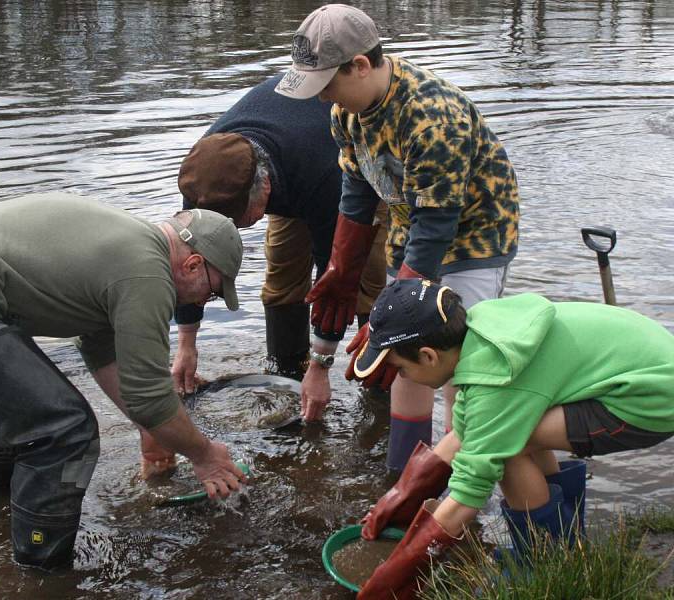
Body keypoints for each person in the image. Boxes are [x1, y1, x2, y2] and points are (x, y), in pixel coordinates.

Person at [0, 193, 247, 570]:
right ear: (193, 264)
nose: (203, 303)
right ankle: (42, 572)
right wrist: (204, 455)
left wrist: (150, 430)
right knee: (65, 430)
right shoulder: (147, 273)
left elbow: (104, 349)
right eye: (213, 291)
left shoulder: (133, 247)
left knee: (24, 414)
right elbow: (149, 395)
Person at [276, 3, 520, 475]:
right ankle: (401, 476)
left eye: (327, 84)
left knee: (456, 365)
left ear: (361, 65)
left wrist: (395, 313)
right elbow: (356, 192)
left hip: (474, 238)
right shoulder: (347, 115)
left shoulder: (431, 117)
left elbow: (439, 225)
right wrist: (340, 270)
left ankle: (456, 488)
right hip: (411, 227)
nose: (323, 97)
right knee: (406, 361)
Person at [346, 279, 674, 598]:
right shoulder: (480, 331)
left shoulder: (494, 377)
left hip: (649, 400)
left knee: (504, 446)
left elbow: (467, 497)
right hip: (647, 366)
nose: (401, 376)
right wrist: (401, 497)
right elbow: (466, 430)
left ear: (429, 356)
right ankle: (567, 543)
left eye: (401, 368)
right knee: (502, 430)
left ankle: (544, 561)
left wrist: (397, 573)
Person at [174, 73, 387, 421]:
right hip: (289, 168)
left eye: (240, 220)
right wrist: (187, 345)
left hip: (347, 175)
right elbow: (187, 265)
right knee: (282, 280)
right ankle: (286, 373)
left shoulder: (323, 177)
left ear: (265, 188)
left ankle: (379, 395)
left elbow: (335, 277)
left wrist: (320, 367)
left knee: (363, 286)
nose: (235, 230)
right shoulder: (204, 177)